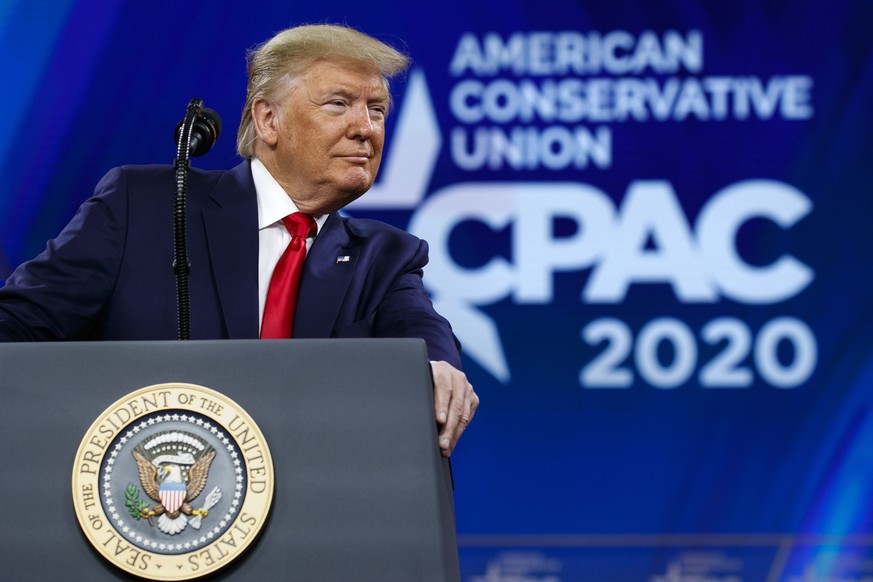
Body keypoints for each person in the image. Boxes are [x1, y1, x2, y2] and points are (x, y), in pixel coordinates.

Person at [0, 24, 478, 457]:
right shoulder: (144, 208)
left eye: (377, 110)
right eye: (339, 103)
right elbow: (19, 325)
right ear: (268, 120)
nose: (366, 129)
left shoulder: (385, 256)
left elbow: (419, 328)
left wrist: (435, 366)